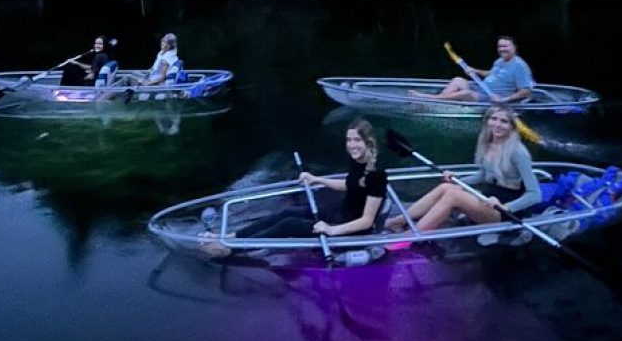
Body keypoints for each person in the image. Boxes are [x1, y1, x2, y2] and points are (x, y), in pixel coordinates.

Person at [199, 119, 388, 257]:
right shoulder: (359, 162)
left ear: (368, 142)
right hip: (339, 212)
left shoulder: (377, 175)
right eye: (349, 140)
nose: (351, 145)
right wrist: (318, 180)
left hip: (349, 231)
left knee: (289, 224)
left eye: (357, 140)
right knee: (288, 211)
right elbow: (350, 185)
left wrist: (332, 231)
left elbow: (366, 221)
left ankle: (231, 249)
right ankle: (231, 235)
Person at [385, 105, 541, 232]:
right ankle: (398, 221)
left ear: (511, 126)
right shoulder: (487, 143)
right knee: (447, 186)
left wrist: (506, 207)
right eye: (493, 119)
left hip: (506, 211)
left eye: (504, 121)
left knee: (454, 196)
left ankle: (412, 236)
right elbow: (483, 175)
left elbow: (535, 195)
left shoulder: (518, 152)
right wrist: (456, 178)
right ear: (487, 120)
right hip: (488, 200)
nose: (497, 124)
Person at [409, 36, 534, 103]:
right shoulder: (500, 61)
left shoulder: (520, 66)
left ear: (514, 47)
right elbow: (492, 74)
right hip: (481, 88)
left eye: (505, 46)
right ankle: (441, 101)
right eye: (500, 46)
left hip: (492, 98)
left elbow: (526, 91)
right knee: (458, 80)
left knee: (467, 93)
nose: (502, 49)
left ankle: (426, 98)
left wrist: (503, 100)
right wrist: (475, 71)